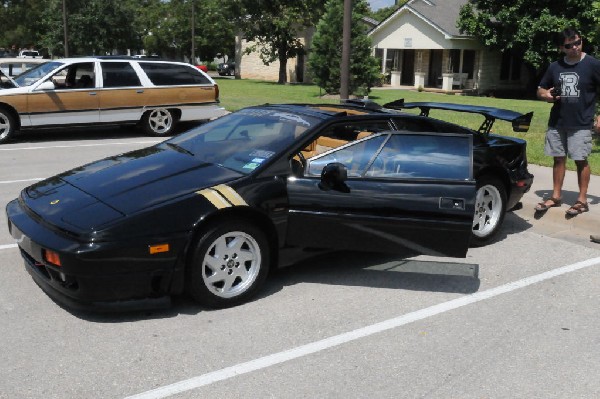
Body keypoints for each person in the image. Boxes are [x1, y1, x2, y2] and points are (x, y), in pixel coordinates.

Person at [535, 27, 600, 216]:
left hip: (581, 122)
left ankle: (582, 200)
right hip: (558, 122)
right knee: (558, 158)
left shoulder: (593, 65)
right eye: (569, 45)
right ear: (561, 48)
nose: (575, 47)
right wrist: (545, 94)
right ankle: (556, 196)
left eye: (578, 42)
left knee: (580, 160)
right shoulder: (555, 66)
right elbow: (540, 88)